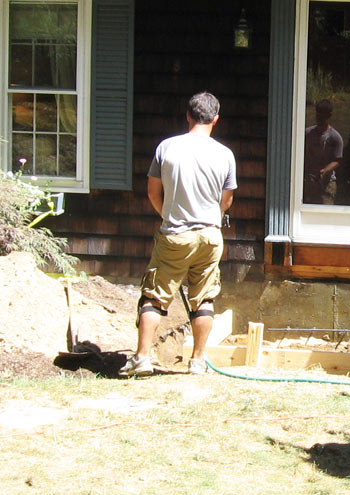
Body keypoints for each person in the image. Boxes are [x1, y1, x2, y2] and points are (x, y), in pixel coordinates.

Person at [120, 91, 237, 377]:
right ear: (216, 119)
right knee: (204, 299)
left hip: (175, 233)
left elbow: (152, 191)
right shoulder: (225, 154)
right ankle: (197, 362)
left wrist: (169, 216)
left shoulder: (166, 148)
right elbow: (227, 200)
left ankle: (142, 359)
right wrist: (212, 220)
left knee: (154, 298)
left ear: (188, 116)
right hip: (210, 236)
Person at [303, 99, 343, 204]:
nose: (319, 119)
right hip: (309, 182)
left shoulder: (335, 137)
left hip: (327, 183)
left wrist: (325, 170)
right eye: (318, 115)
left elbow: (337, 160)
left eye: (323, 116)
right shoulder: (307, 133)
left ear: (329, 115)